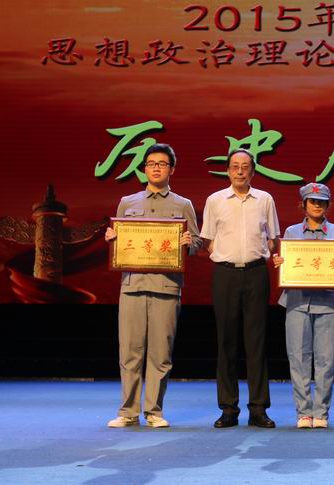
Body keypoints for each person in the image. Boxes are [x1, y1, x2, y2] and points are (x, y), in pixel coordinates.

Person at [105, 143, 201, 428]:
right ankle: (128, 411)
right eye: (151, 163)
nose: (156, 168)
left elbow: (197, 242)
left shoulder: (182, 205)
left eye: (162, 163)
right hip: (132, 285)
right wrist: (113, 239)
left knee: (161, 353)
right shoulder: (128, 202)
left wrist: (189, 242)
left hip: (167, 286)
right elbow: (121, 240)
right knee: (130, 351)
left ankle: (154, 412)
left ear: (172, 169)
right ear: (144, 168)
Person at [200, 148, 280, 429]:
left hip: (256, 273)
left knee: (257, 342)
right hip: (225, 274)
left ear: (253, 171)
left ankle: (258, 409)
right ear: (227, 170)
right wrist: (225, 256)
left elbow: (272, 239)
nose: (240, 171)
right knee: (226, 342)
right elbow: (208, 240)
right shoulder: (215, 200)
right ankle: (228, 408)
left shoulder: (265, 199)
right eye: (235, 166)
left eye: (245, 166)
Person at [272, 183, 334, 429]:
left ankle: (321, 412)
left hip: (328, 304)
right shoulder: (291, 232)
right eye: (312, 201)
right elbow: (287, 263)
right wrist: (280, 262)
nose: (317, 205)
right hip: (297, 302)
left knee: (326, 360)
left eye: (321, 202)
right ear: (303, 204)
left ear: (328, 205)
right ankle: (303, 412)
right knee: (298, 359)